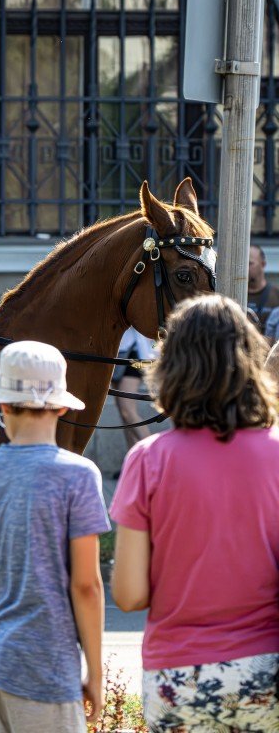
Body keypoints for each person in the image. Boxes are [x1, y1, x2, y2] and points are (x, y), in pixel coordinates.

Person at [111, 294, 279, 732]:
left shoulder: (147, 460)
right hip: (265, 675)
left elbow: (129, 594)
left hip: (177, 679)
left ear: (170, 367)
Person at [0, 340, 110, 733]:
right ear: (63, 406)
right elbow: (86, 586)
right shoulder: (79, 476)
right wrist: (95, 673)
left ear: (4, 406)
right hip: (44, 664)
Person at [111, 328, 156, 474]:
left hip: (134, 354)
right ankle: (131, 465)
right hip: (116, 351)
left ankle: (157, 460)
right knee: (124, 414)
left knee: (128, 411)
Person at [247, 242, 279, 335]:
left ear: (263, 264)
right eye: (242, 263)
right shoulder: (234, 293)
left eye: (250, 263)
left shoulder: (276, 294)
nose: (245, 268)